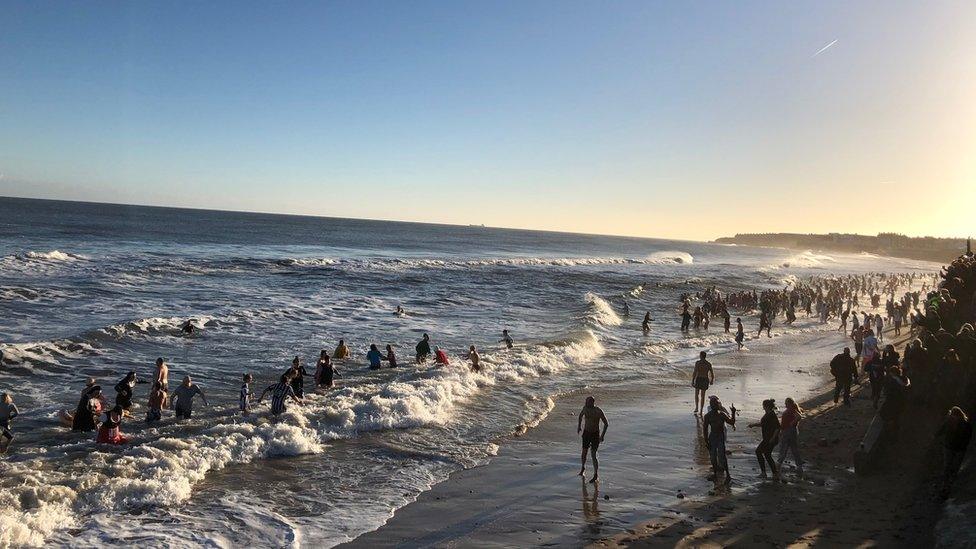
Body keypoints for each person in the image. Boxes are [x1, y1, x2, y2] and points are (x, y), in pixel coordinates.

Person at [936, 407, 973, 498]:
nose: (953, 417)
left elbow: (968, 437)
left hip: (955, 448)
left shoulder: (963, 424)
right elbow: (940, 431)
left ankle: (947, 487)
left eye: (953, 415)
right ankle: (946, 487)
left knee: (951, 468)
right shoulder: (959, 423)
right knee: (949, 467)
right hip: (952, 448)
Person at [702, 395, 736, 484]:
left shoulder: (722, 414)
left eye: (717, 404)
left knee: (722, 457)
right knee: (713, 457)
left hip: (720, 436)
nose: (716, 405)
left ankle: (728, 475)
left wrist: (733, 413)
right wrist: (706, 441)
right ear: (711, 405)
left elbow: (731, 422)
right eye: (714, 404)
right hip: (713, 436)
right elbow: (705, 429)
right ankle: (715, 474)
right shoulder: (708, 416)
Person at [577, 396, 609, 484]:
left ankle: (595, 475)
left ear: (592, 402)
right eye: (585, 402)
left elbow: (606, 424)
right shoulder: (585, 408)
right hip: (586, 433)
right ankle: (583, 468)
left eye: (587, 402)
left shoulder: (598, 411)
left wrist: (602, 436)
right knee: (584, 452)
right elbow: (580, 416)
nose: (585, 403)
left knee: (593, 454)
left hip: (595, 434)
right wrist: (579, 426)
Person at [748, 399, 779, 479]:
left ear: (767, 406)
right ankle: (774, 473)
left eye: (763, 405)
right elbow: (763, 424)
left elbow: (777, 428)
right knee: (767, 454)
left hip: (770, 439)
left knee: (759, 452)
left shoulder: (772, 414)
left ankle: (765, 473)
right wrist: (754, 425)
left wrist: (773, 438)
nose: (763, 407)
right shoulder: (768, 414)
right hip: (767, 438)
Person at [777, 397, 804, 477]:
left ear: (790, 403)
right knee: (793, 448)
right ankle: (799, 466)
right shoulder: (791, 409)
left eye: (786, 403)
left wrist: (792, 423)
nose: (785, 404)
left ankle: (779, 464)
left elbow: (799, 416)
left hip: (789, 431)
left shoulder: (791, 409)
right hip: (791, 431)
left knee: (784, 447)